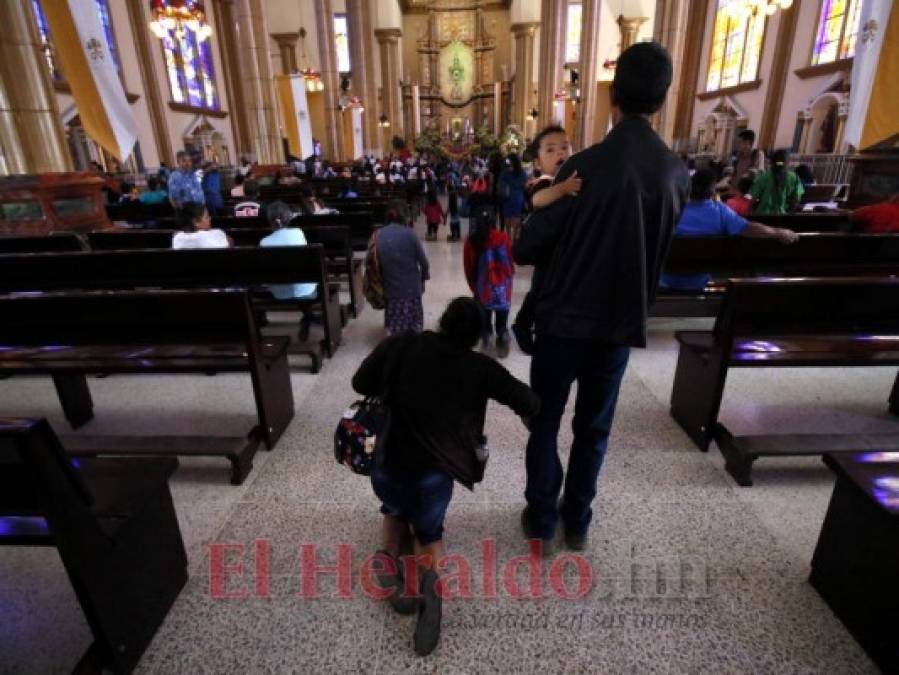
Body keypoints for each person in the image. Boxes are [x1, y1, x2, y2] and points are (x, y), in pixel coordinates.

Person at [512, 42, 690, 554]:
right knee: (595, 426)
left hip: (564, 319)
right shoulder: (675, 173)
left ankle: (542, 518)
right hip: (619, 322)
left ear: (613, 94)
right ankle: (579, 519)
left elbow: (527, 248)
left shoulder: (584, 166)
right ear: (662, 98)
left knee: (545, 419)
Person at [352, 296, 540, 657]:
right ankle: (430, 588)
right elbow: (529, 401)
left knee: (392, 508)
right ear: (474, 337)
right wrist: (530, 417)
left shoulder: (403, 344)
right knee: (428, 530)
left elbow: (361, 382)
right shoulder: (480, 368)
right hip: (435, 477)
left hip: (386, 466)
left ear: (443, 321)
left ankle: (387, 557)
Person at [660, 169, 799, 292]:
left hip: (666, 277)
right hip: (699, 279)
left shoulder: (672, 209)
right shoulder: (720, 211)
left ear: (689, 188)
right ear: (713, 190)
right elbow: (749, 228)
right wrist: (779, 232)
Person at [511, 125, 582, 355]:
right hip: (545, 253)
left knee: (541, 291)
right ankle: (522, 324)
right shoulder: (545, 181)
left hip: (558, 253)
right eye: (550, 150)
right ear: (539, 162)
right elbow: (538, 201)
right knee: (538, 292)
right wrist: (562, 189)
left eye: (564, 147)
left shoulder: (569, 177)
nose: (559, 153)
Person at [464, 205, 515, 358]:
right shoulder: (503, 238)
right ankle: (502, 336)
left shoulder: (471, 242)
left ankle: (487, 339)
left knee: (485, 319)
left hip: (483, 288)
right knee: (502, 316)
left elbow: (469, 268)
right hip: (503, 288)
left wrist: (475, 289)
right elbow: (510, 263)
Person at [376, 200, 430, 335]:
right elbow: (424, 262)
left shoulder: (378, 235)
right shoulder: (410, 234)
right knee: (414, 328)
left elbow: (375, 266)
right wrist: (423, 278)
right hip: (411, 289)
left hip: (391, 290)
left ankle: (394, 333)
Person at [750, 149, 804, 215]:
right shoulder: (794, 177)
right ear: (787, 162)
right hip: (782, 217)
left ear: (771, 162)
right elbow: (796, 200)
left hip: (763, 216)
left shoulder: (764, 177)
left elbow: (751, 198)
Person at [168, 150, 205, 228]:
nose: (188, 163)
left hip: (199, 207)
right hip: (185, 209)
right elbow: (172, 196)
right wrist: (180, 209)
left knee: (200, 232)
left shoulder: (195, 173)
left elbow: (199, 190)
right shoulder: (174, 176)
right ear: (178, 162)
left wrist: (203, 206)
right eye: (184, 161)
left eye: (189, 161)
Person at [499, 154, 528, 240]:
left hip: (507, 197)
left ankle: (508, 237)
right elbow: (525, 185)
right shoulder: (522, 172)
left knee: (507, 217)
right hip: (518, 196)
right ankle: (515, 237)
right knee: (517, 217)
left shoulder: (505, 172)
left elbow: (500, 184)